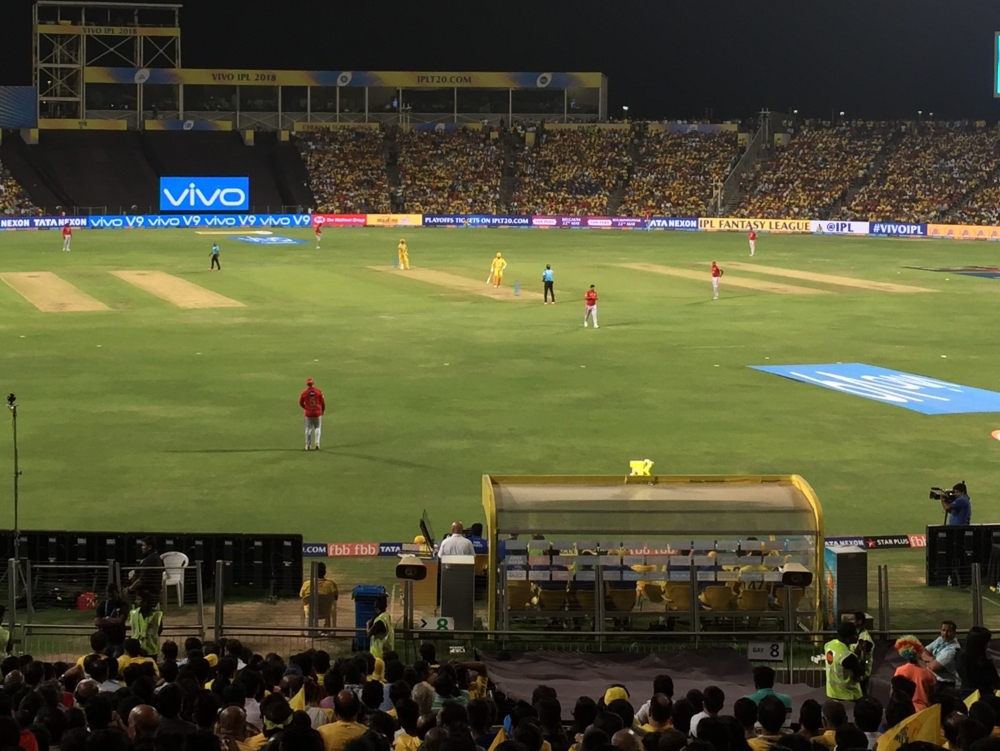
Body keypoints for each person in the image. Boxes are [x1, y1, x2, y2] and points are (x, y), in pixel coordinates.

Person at [892, 635, 936, 712]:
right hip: (923, 711)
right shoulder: (928, 673)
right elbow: (932, 695)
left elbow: (894, 692)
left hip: (904, 710)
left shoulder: (899, 670)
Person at [824, 621, 863, 701]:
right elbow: (861, 672)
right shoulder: (848, 657)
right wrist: (863, 652)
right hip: (849, 696)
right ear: (849, 637)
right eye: (855, 634)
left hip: (832, 693)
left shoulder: (829, 645)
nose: (857, 637)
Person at [958, 626, 1000, 698]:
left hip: (965, 696)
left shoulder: (959, 656)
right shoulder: (984, 663)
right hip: (984, 697)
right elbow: (997, 683)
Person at [921, 619, 961, 689]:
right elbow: (923, 651)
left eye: (948, 631)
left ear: (954, 632)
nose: (945, 634)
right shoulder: (940, 639)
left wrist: (928, 661)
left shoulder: (953, 649)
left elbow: (933, 667)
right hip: (933, 681)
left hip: (944, 684)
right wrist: (932, 659)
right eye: (943, 630)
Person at [124, 536, 164, 607]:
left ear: (149, 547)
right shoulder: (151, 556)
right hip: (147, 590)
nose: (141, 547)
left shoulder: (151, 559)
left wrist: (129, 589)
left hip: (149, 593)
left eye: (143, 545)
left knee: (125, 592)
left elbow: (141, 581)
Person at [94, 583, 129, 659]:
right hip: (105, 642)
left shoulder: (123, 605)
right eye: (108, 595)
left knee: (116, 662)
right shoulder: (102, 605)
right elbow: (97, 621)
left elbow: (120, 621)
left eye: (112, 595)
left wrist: (106, 619)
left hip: (118, 641)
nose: (110, 598)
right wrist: (114, 622)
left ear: (117, 593)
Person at [299, 563, 340, 627]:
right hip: (326, 611)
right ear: (325, 572)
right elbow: (336, 597)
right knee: (332, 605)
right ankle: (327, 628)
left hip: (310, 611)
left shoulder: (306, 584)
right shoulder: (331, 584)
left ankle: (309, 628)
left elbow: (302, 596)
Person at [128, 591, 164, 659]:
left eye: (139, 599)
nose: (136, 601)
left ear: (145, 601)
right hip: (136, 649)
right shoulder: (133, 613)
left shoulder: (156, 614)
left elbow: (159, 630)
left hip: (151, 650)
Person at [299, 377, 326, 451]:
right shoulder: (318, 392)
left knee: (308, 429)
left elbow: (300, 402)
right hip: (317, 413)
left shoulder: (304, 393)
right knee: (317, 427)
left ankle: (308, 445)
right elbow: (323, 402)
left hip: (308, 413)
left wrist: (306, 408)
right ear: (313, 383)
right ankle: (317, 443)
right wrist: (322, 410)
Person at [853, 612, 874, 696]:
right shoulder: (859, 635)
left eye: (852, 619)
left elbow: (861, 656)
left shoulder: (865, 639)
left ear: (859, 622)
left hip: (862, 674)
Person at [366, 594, 394, 659]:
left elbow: (369, 633)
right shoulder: (386, 615)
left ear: (376, 606)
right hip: (386, 651)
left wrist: (367, 624)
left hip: (378, 654)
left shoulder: (380, 620)